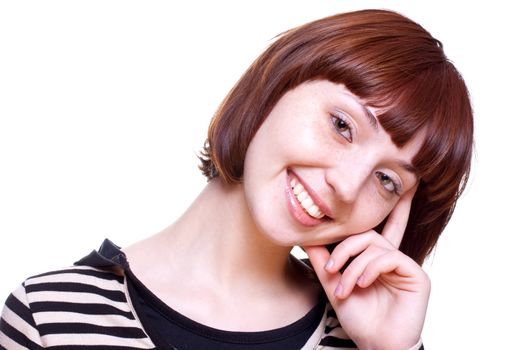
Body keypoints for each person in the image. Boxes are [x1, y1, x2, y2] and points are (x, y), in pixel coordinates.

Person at [0, 9, 473, 350]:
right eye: (343, 125)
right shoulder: (51, 314)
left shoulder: (367, 339)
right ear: (277, 84)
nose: (348, 186)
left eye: (387, 180)